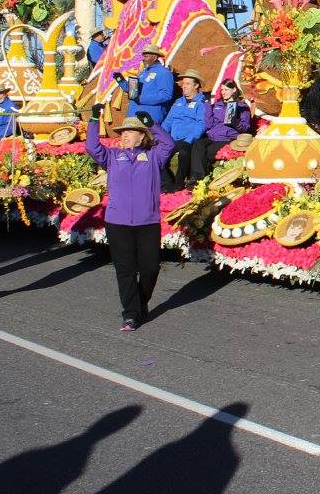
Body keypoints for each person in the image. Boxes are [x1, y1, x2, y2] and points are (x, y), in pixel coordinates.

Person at [85, 104, 174, 330]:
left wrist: (152, 125)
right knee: (125, 269)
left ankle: (139, 304)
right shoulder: (113, 156)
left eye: (128, 132)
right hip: (118, 222)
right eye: (121, 133)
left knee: (150, 268)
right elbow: (92, 147)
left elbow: (169, 144)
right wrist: (94, 120)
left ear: (141, 137)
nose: (123, 135)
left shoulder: (154, 157)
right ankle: (131, 314)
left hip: (148, 221)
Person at [191, 79, 251, 183]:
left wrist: (235, 122)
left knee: (207, 153)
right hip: (212, 137)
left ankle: (200, 179)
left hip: (228, 138)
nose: (223, 92)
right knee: (197, 144)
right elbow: (209, 125)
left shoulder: (242, 107)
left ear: (234, 90)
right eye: (222, 90)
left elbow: (245, 127)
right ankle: (196, 177)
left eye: (226, 90)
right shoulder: (217, 105)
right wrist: (208, 105)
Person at [161, 70, 208, 193]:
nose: (183, 86)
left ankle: (178, 183)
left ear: (196, 85)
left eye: (187, 83)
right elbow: (168, 122)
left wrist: (189, 140)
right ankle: (166, 184)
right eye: (183, 83)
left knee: (184, 153)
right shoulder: (178, 102)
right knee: (157, 153)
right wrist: (160, 135)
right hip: (172, 138)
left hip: (188, 139)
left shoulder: (201, 103)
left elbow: (201, 124)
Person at [113, 45, 174, 124]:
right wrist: (121, 81)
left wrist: (141, 98)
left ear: (154, 57)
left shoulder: (164, 73)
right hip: (133, 115)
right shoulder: (143, 73)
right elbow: (133, 92)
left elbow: (165, 95)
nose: (143, 59)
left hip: (149, 117)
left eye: (146, 56)